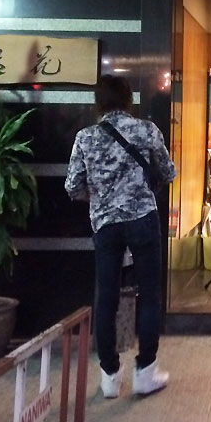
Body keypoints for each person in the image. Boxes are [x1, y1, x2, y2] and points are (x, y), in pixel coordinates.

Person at [65, 75, 176, 398]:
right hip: (143, 219)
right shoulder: (146, 130)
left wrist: (100, 198)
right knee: (150, 293)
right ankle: (145, 373)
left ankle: (110, 377)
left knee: (106, 296)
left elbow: (72, 187)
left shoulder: (85, 138)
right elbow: (168, 172)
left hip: (105, 225)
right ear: (129, 100)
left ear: (98, 102)